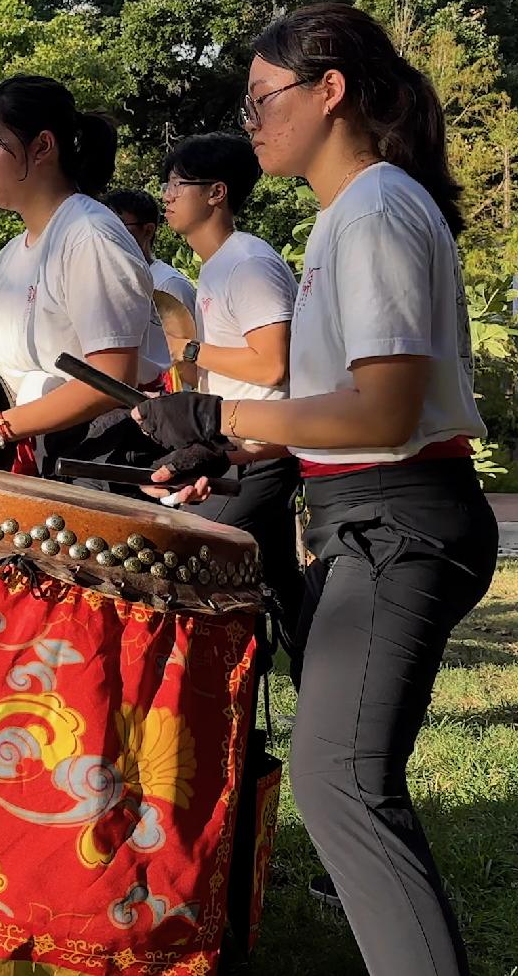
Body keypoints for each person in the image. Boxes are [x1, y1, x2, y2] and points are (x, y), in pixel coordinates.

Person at [134, 3, 494, 976]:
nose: (250, 120)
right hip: (368, 513)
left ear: (329, 90)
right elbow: (336, 403)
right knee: (346, 779)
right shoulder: (349, 212)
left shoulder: (376, 205)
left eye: (263, 97)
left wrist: (222, 417)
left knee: (339, 782)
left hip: (401, 517)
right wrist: (230, 454)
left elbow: (384, 412)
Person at [0, 74, 158, 478]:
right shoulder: (6, 259)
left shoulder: (89, 235)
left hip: (102, 462)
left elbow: (112, 380)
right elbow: (8, 378)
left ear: (42, 146)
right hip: (43, 459)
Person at [156, 131, 304, 650]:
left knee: (187, 560)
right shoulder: (215, 268)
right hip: (235, 445)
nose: (167, 196)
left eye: (179, 184)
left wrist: (191, 350)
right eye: (167, 185)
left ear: (216, 193)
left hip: (261, 449)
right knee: (283, 587)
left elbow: (273, 364)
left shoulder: (249, 263)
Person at [104, 188, 198, 388]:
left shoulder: (171, 285)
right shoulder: (106, 283)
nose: (109, 236)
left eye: (119, 227)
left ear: (148, 230)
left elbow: (192, 371)